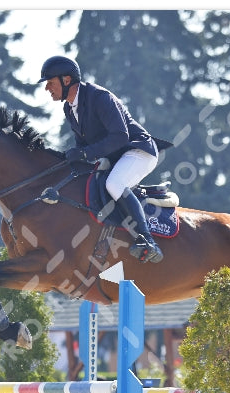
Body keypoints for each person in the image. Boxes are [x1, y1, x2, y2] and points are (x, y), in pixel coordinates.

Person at [38, 55, 164, 263]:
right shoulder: (69, 108)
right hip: (115, 156)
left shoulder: (100, 97)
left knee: (114, 183)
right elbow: (83, 145)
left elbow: (120, 136)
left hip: (137, 151)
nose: (47, 89)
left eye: (50, 83)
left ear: (66, 80)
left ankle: (148, 241)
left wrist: (85, 154)